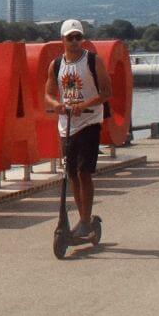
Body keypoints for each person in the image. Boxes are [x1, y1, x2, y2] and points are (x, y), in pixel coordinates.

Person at [45, 19, 112, 240]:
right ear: (62, 40)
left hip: (89, 121)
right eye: (70, 37)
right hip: (67, 126)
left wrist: (83, 106)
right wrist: (57, 106)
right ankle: (84, 220)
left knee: (84, 171)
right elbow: (49, 93)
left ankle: (85, 221)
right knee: (71, 173)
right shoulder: (56, 65)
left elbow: (106, 92)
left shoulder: (93, 61)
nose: (74, 41)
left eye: (78, 37)